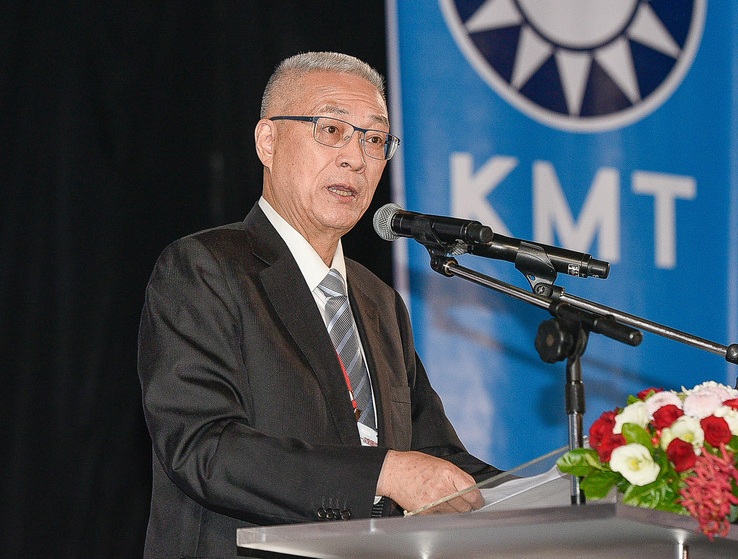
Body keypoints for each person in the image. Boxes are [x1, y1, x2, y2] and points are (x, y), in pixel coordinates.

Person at [138, 52, 498, 558]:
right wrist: (383, 473)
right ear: (268, 141)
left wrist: (573, 492)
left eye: (375, 139)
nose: (356, 158)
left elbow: (438, 458)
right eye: (331, 130)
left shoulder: (380, 302)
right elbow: (204, 448)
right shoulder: (204, 268)